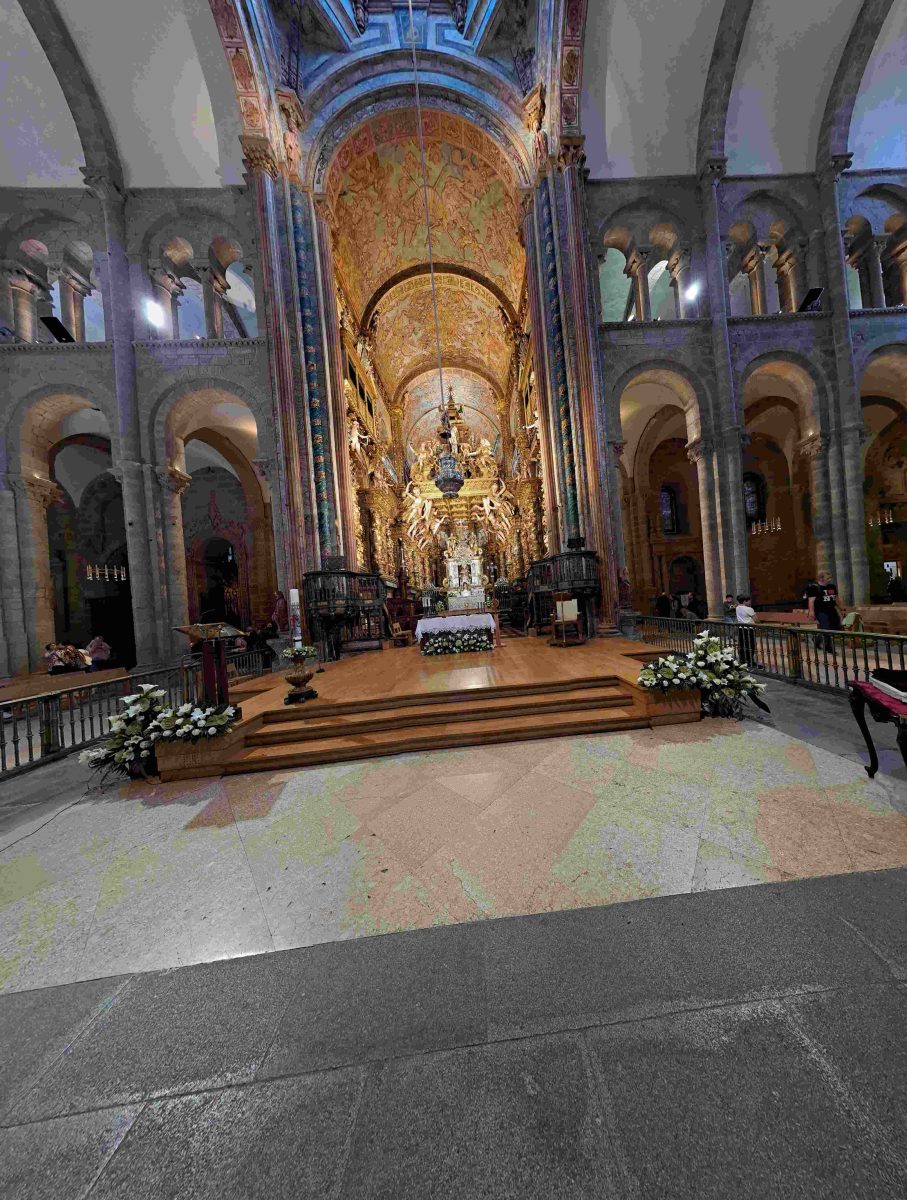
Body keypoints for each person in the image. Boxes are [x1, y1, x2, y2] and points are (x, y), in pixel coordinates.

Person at [806, 571, 844, 651]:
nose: (830, 580)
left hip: (832, 610)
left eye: (830, 578)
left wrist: (841, 608)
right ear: (821, 578)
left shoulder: (832, 587)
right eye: (828, 578)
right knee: (826, 627)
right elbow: (811, 601)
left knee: (835, 627)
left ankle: (815, 639)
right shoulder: (814, 588)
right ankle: (828, 647)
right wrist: (811, 612)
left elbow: (835, 598)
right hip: (821, 611)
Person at [735, 593, 759, 668]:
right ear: (744, 601)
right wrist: (759, 625)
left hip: (741, 628)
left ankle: (742, 660)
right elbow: (756, 620)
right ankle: (750, 662)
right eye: (749, 601)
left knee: (742, 645)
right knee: (751, 645)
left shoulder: (737, 608)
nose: (750, 602)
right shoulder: (749, 609)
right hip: (749, 629)